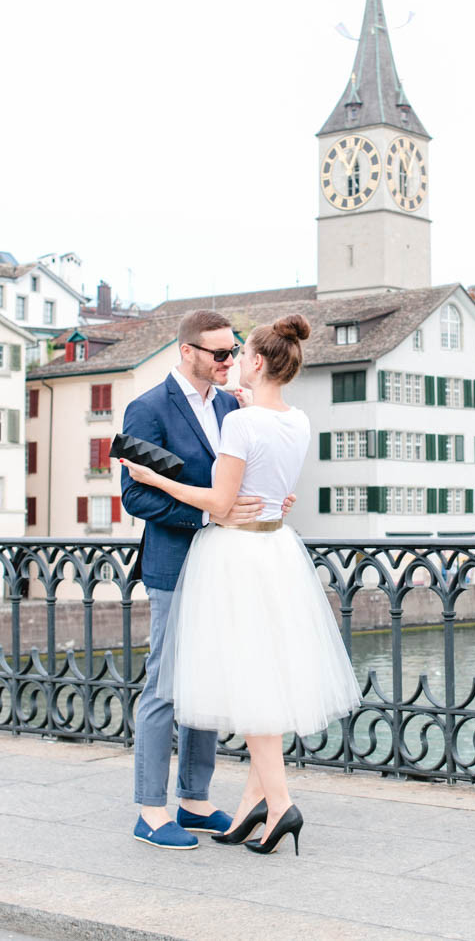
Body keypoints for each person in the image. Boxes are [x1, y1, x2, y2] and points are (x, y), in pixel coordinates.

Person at [122, 314, 361, 856]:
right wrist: (215, 517)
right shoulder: (148, 408)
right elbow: (135, 497)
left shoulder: (235, 407)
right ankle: (150, 810)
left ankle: (195, 799)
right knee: (163, 685)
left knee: (211, 678)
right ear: (187, 352)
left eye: (233, 352)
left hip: (229, 562)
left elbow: (249, 472)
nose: (228, 362)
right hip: (176, 562)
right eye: (218, 354)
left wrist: (266, 504)